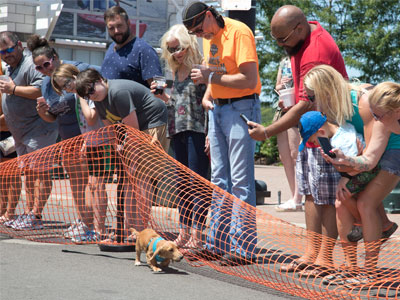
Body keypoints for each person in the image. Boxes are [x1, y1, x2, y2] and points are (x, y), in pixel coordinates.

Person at [247, 5, 348, 272]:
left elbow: (305, 104)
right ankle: (311, 253)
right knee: (311, 196)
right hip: (311, 132)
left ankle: (325, 259)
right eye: (276, 39)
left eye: (283, 39)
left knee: (325, 197)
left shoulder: (316, 50)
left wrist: (268, 131)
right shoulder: (301, 38)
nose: (281, 45)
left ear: (300, 29)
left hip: (327, 133)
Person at [182, 1, 262, 265]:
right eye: (193, 33)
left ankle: (244, 248)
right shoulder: (208, 37)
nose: (199, 35)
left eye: (198, 29)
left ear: (209, 15)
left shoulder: (239, 32)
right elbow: (212, 72)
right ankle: (217, 243)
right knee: (218, 180)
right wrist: (208, 93)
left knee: (240, 180)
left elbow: (249, 80)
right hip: (218, 109)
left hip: (241, 107)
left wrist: (211, 80)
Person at [311, 76, 400, 277]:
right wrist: (348, 162)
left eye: (378, 116)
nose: (375, 121)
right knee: (344, 201)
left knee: (366, 203)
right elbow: (369, 160)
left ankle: (369, 273)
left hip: (395, 152)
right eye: (373, 116)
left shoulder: (374, 111)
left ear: (396, 112)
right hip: (382, 155)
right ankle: (356, 269)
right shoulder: (383, 119)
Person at [75, 68, 168, 235]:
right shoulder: (99, 100)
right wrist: (118, 148)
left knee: (142, 177)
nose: (91, 96)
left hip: (152, 123)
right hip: (135, 129)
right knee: (129, 179)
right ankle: (129, 227)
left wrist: (127, 151)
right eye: (87, 96)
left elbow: (133, 130)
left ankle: (139, 230)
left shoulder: (118, 92)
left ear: (100, 80)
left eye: (91, 90)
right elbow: (112, 129)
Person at [27, 35, 97, 241]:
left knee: (90, 183)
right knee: (76, 183)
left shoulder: (77, 68)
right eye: (39, 68)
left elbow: (99, 87)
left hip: (87, 136)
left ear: (55, 58)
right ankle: (83, 220)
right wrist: (41, 111)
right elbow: (51, 117)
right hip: (67, 140)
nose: (44, 70)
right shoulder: (46, 85)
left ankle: (92, 225)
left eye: (46, 64)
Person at [151, 24, 209, 248]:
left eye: (178, 48)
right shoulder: (176, 71)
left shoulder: (201, 67)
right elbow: (178, 104)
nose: (175, 53)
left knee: (198, 183)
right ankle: (184, 232)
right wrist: (163, 97)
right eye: (170, 49)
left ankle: (198, 234)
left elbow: (209, 102)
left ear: (188, 45)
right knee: (182, 184)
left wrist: (209, 134)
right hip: (178, 130)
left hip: (197, 130)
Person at [0, 31, 58, 230]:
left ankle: (36, 214)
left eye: (8, 49)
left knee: (41, 174)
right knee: (30, 175)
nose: (6, 54)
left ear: (19, 45)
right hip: (21, 133)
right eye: (2, 52)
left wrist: (13, 90)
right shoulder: (10, 68)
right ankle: (29, 213)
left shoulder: (29, 64)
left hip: (39, 128)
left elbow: (42, 88)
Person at [51, 63, 111, 240]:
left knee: (97, 185)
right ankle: (90, 226)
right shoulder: (78, 96)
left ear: (75, 76)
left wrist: (81, 94)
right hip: (92, 142)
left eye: (68, 82)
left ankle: (100, 230)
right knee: (91, 185)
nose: (68, 88)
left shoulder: (86, 93)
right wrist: (86, 141)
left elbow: (91, 118)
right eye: (63, 87)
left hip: (104, 141)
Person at [101, 5, 162, 87]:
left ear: (128, 23)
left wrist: (159, 90)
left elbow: (159, 87)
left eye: (119, 26)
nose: (116, 31)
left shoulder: (145, 50)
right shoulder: (110, 47)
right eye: (111, 28)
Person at [273, 56, 302, 212]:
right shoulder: (283, 61)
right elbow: (277, 86)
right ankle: (293, 196)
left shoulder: (304, 58)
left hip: (297, 110)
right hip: (283, 109)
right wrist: (281, 85)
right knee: (285, 157)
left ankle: (298, 198)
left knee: (295, 154)